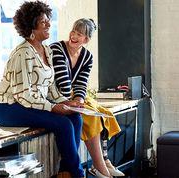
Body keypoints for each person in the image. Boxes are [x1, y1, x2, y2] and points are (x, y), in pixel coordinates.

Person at [0, 1, 84, 178]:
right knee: (62, 124)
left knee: (75, 117)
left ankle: (65, 171)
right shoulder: (22, 54)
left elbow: (50, 88)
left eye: (48, 20)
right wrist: (53, 107)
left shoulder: (46, 50)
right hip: (8, 107)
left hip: (27, 103)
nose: (49, 24)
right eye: (43, 22)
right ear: (31, 28)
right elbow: (24, 95)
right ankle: (77, 174)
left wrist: (66, 102)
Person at [50, 18, 125, 178]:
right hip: (56, 97)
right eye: (73, 31)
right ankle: (100, 167)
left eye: (79, 34)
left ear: (86, 39)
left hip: (73, 97)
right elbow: (63, 84)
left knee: (104, 113)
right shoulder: (57, 48)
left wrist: (80, 100)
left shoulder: (87, 57)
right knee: (91, 118)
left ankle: (104, 161)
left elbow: (81, 84)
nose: (74, 36)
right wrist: (77, 102)